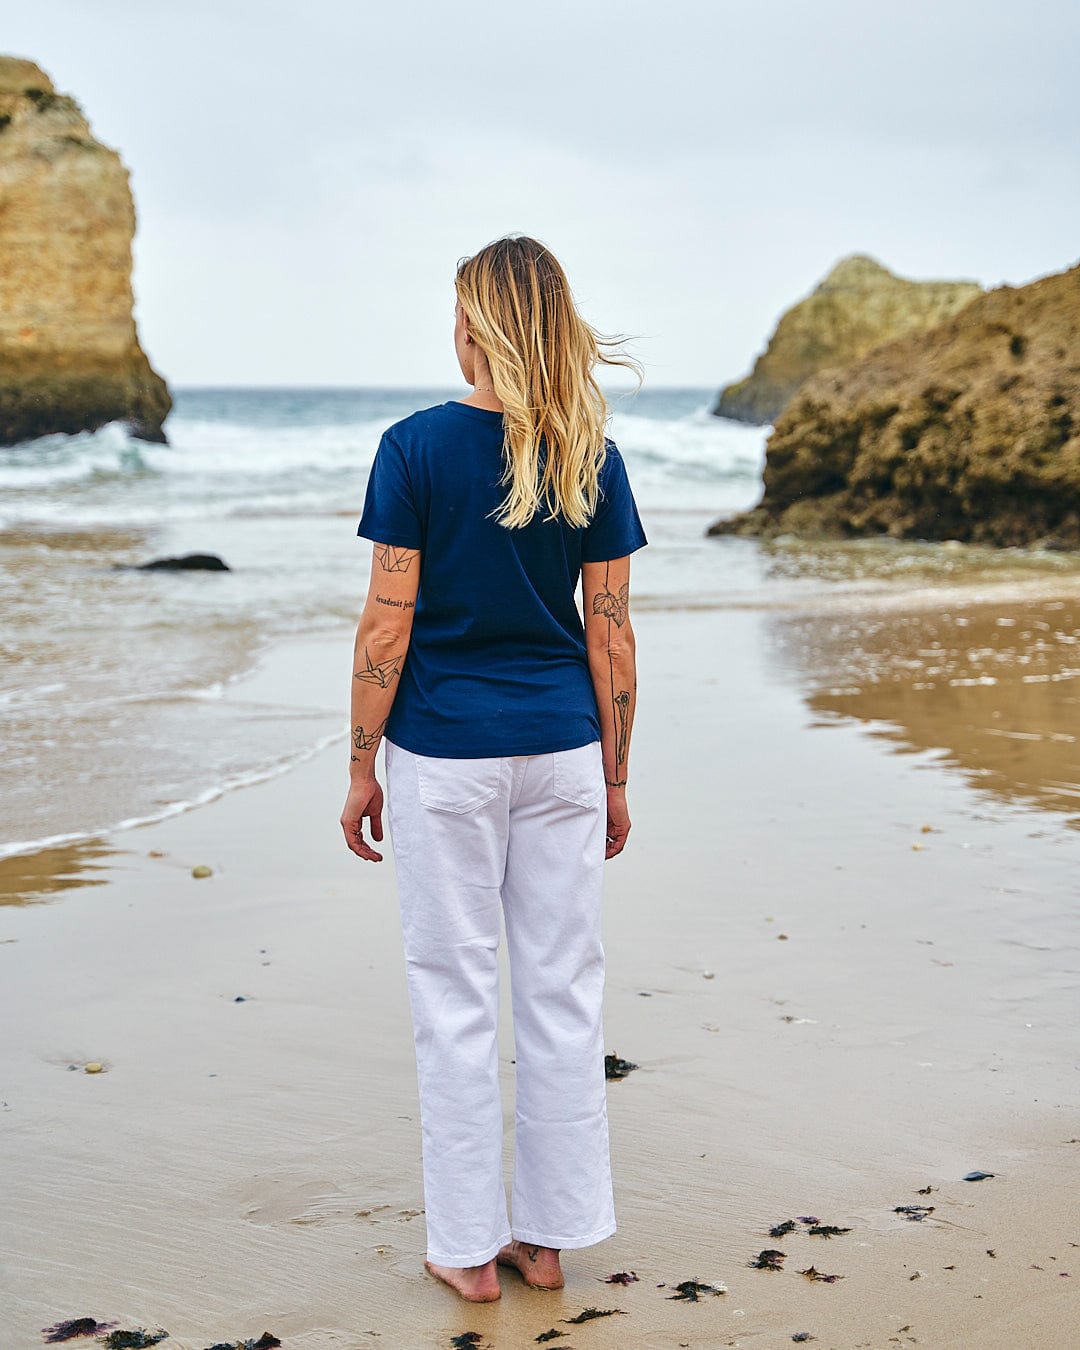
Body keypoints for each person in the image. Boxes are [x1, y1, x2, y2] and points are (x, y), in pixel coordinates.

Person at [340, 234, 647, 1303]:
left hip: (446, 760)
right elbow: (610, 636)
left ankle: (467, 1248)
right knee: (563, 991)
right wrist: (614, 777)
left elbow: (389, 622)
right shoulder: (588, 452)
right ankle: (550, 1240)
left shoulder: (414, 448)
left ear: (472, 327)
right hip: (564, 750)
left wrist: (361, 765)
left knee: (455, 993)